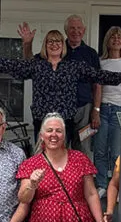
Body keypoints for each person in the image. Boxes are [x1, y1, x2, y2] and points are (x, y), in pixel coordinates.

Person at [0, 30, 121, 146]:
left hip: (64, 120)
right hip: (42, 120)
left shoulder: (73, 66)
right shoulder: (37, 64)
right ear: (45, 45)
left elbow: (99, 75)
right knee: (41, 155)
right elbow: (14, 66)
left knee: (62, 154)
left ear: (62, 45)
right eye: (50, 41)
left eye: (58, 41)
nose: (54, 44)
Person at [20, 16, 100, 155]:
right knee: (58, 149)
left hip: (83, 109)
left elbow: (98, 83)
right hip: (60, 110)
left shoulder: (91, 53)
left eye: (79, 28)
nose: (76, 31)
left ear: (84, 30)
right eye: (72, 28)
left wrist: (96, 110)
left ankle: (80, 177)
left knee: (83, 150)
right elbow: (30, 66)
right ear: (66, 31)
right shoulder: (57, 49)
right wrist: (27, 45)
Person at [92, 26, 121, 195]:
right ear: (107, 41)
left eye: (119, 37)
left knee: (116, 152)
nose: (116, 40)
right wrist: (96, 109)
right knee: (100, 149)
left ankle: (115, 186)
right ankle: (102, 184)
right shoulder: (101, 62)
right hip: (103, 108)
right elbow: (98, 87)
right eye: (112, 37)